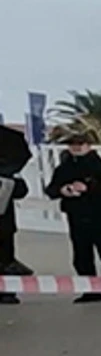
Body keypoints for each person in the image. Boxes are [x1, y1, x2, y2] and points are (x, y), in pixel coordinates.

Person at [45, 128, 101, 303]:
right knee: (81, 256)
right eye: (72, 144)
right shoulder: (64, 168)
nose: (76, 147)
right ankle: (90, 291)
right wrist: (63, 190)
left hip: (99, 215)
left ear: (89, 145)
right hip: (75, 216)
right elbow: (51, 189)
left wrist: (89, 188)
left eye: (80, 143)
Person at [0, 124, 28, 305]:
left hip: (4, 224)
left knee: (5, 258)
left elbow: (22, 190)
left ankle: (7, 292)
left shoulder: (8, 171)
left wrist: (8, 181)